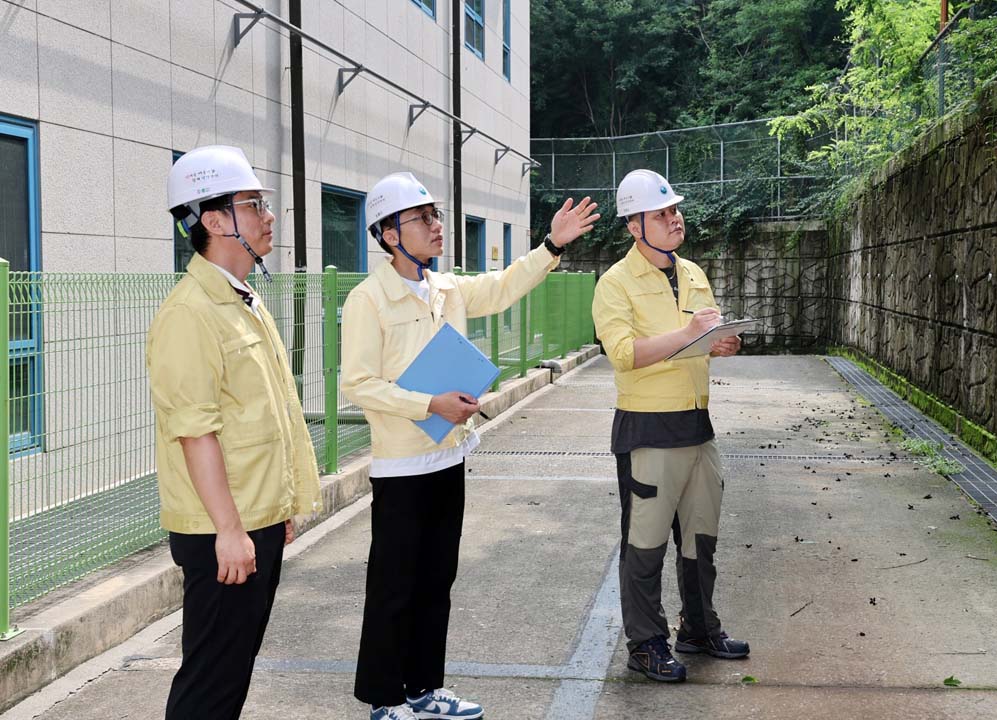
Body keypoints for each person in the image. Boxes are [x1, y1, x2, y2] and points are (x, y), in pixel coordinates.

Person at [340, 171, 599, 720]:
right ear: (389, 234)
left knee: (437, 580)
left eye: (435, 215)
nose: (436, 226)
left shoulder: (446, 288)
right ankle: (385, 698)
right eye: (422, 218)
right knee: (394, 587)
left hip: (448, 456)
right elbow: (358, 384)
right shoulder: (368, 299)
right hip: (402, 466)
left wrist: (551, 246)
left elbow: (503, 286)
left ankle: (423, 688)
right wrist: (429, 403)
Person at [147, 145, 322, 719]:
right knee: (211, 681)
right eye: (253, 205)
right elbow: (195, 432)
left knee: (231, 671)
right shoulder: (190, 312)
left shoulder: (241, 299)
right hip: (221, 529)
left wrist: (278, 506)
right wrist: (229, 529)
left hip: (253, 518)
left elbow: (265, 415)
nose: (269, 217)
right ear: (215, 220)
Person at [591, 169, 749, 683]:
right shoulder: (615, 283)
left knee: (701, 539)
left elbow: (702, 340)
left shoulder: (694, 273)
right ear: (634, 225)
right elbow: (622, 353)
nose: (674, 218)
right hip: (648, 429)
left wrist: (721, 343)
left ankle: (699, 629)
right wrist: (687, 334)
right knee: (645, 545)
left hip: (698, 425)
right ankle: (645, 643)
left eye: (674, 210)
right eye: (660, 214)